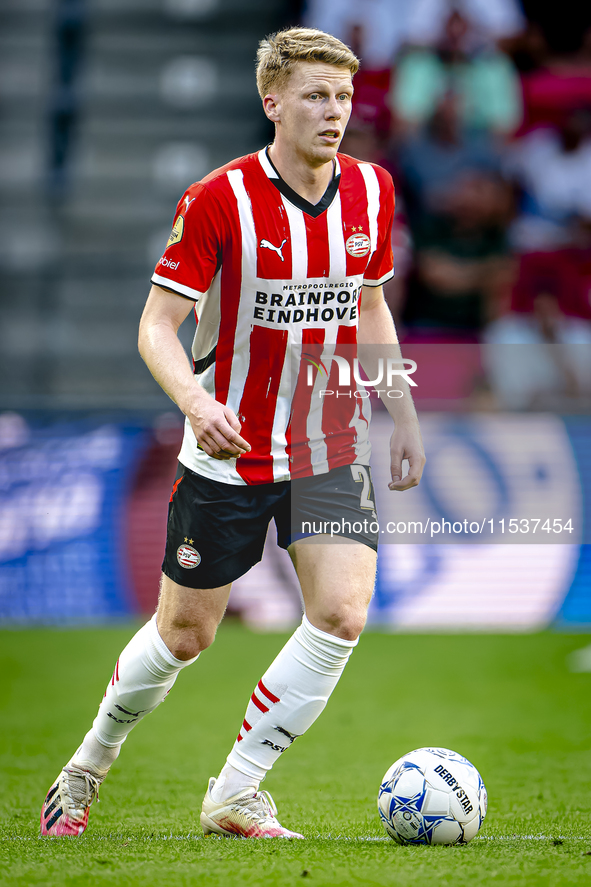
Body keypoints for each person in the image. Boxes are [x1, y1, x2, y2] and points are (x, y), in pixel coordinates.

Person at [40, 27, 425, 840]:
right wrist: (193, 401)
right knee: (186, 634)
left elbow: (368, 306)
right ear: (271, 101)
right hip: (230, 450)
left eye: (344, 97)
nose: (333, 112)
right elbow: (156, 326)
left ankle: (236, 789)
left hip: (329, 444)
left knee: (342, 613)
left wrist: (404, 414)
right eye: (316, 95)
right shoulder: (219, 199)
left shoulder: (372, 190)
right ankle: (85, 767)